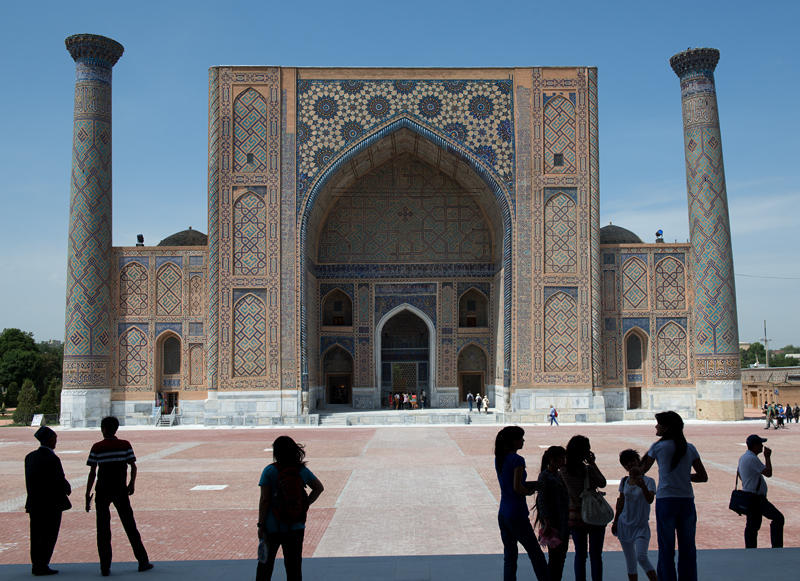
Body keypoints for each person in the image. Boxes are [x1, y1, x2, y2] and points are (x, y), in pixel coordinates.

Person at [641, 411, 707, 581]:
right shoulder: (689, 447)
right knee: (688, 548)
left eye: (658, 423)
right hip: (686, 501)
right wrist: (684, 476)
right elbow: (702, 476)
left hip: (666, 501)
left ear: (667, 427)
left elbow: (642, 470)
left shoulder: (657, 447)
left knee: (666, 547)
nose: (656, 426)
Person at [85, 416, 153, 576]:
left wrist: (88, 493)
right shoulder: (124, 445)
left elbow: (92, 472)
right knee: (130, 526)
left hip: (102, 490)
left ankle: (105, 567)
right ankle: (142, 561)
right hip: (120, 489)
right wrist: (131, 484)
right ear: (116, 429)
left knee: (103, 529)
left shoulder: (97, 447)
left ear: (104, 429)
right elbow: (133, 466)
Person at [257, 436, 324, 581]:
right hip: (296, 525)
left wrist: (260, 525)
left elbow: (264, 500)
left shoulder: (269, 471)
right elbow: (319, 488)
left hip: (272, 526)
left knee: (265, 566)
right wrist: (305, 505)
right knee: (294, 568)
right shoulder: (302, 470)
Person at [493, 426, 550, 581]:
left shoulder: (500, 458)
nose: (523, 440)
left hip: (504, 511)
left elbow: (511, 483)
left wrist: (533, 484)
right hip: (516, 513)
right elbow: (518, 487)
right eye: (521, 438)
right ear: (514, 441)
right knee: (535, 554)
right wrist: (530, 491)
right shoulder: (518, 460)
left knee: (510, 555)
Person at [25, 426, 71, 576]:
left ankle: (36, 564)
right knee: (49, 535)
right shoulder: (52, 458)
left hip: (34, 503)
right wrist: (67, 489)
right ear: (51, 440)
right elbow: (59, 480)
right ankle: (42, 564)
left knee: (36, 534)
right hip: (51, 504)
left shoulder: (30, 457)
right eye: (55, 439)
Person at [560, 435, 606, 581]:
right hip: (594, 515)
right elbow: (602, 482)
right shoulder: (588, 470)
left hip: (575, 516)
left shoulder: (563, 471)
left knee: (580, 554)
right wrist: (593, 463)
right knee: (596, 555)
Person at [611, 449, 657, 581]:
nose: (630, 464)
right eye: (626, 463)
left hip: (641, 526)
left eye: (632, 460)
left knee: (642, 557)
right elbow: (620, 502)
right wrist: (615, 521)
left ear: (638, 461)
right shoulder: (624, 481)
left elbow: (650, 500)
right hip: (624, 525)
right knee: (630, 562)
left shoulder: (649, 481)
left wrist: (643, 486)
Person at [737, 434, 783, 548]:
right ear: (755, 446)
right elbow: (768, 473)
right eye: (760, 444)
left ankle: (750, 550)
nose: (762, 446)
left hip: (749, 495)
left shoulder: (743, 457)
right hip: (756, 497)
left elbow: (739, 474)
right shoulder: (752, 458)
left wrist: (747, 483)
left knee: (752, 525)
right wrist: (767, 457)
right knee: (778, 518)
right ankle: (777, 548)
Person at [536, 446, 569, 581]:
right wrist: (547, 522)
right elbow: (542, 500)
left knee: (561, 557)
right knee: (555, 558)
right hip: (554, 523)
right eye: (561, 457)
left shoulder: (560, 474)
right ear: (551, 459)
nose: (563, 460)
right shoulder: (545, 476)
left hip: (564, 522)